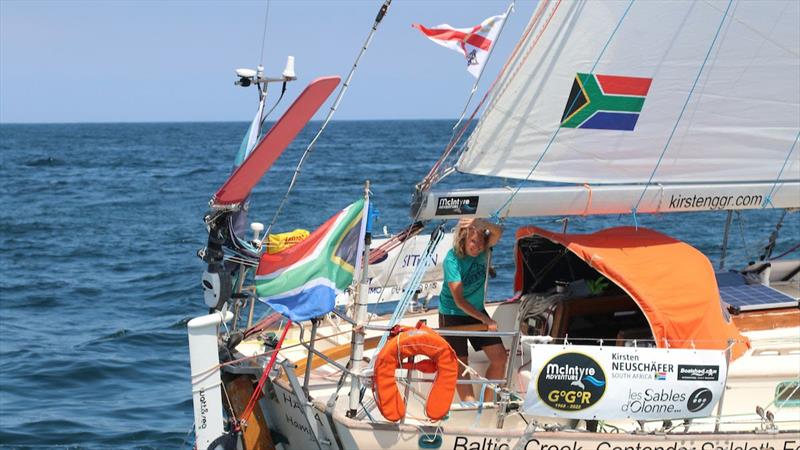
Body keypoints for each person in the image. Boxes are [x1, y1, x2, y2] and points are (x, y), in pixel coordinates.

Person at [438, 217, 505, 402]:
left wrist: (480, 222)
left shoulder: (484, 252)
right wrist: (487, 321)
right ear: (464, 240)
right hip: (452, 314)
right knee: (461, 364)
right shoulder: (452, 261)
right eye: (473, 242)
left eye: (481, 243)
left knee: (500, 358)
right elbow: (459, 300)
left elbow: (499, 232)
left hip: (475, 310)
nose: (478, 247)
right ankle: (470, 405)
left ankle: (488, 403)